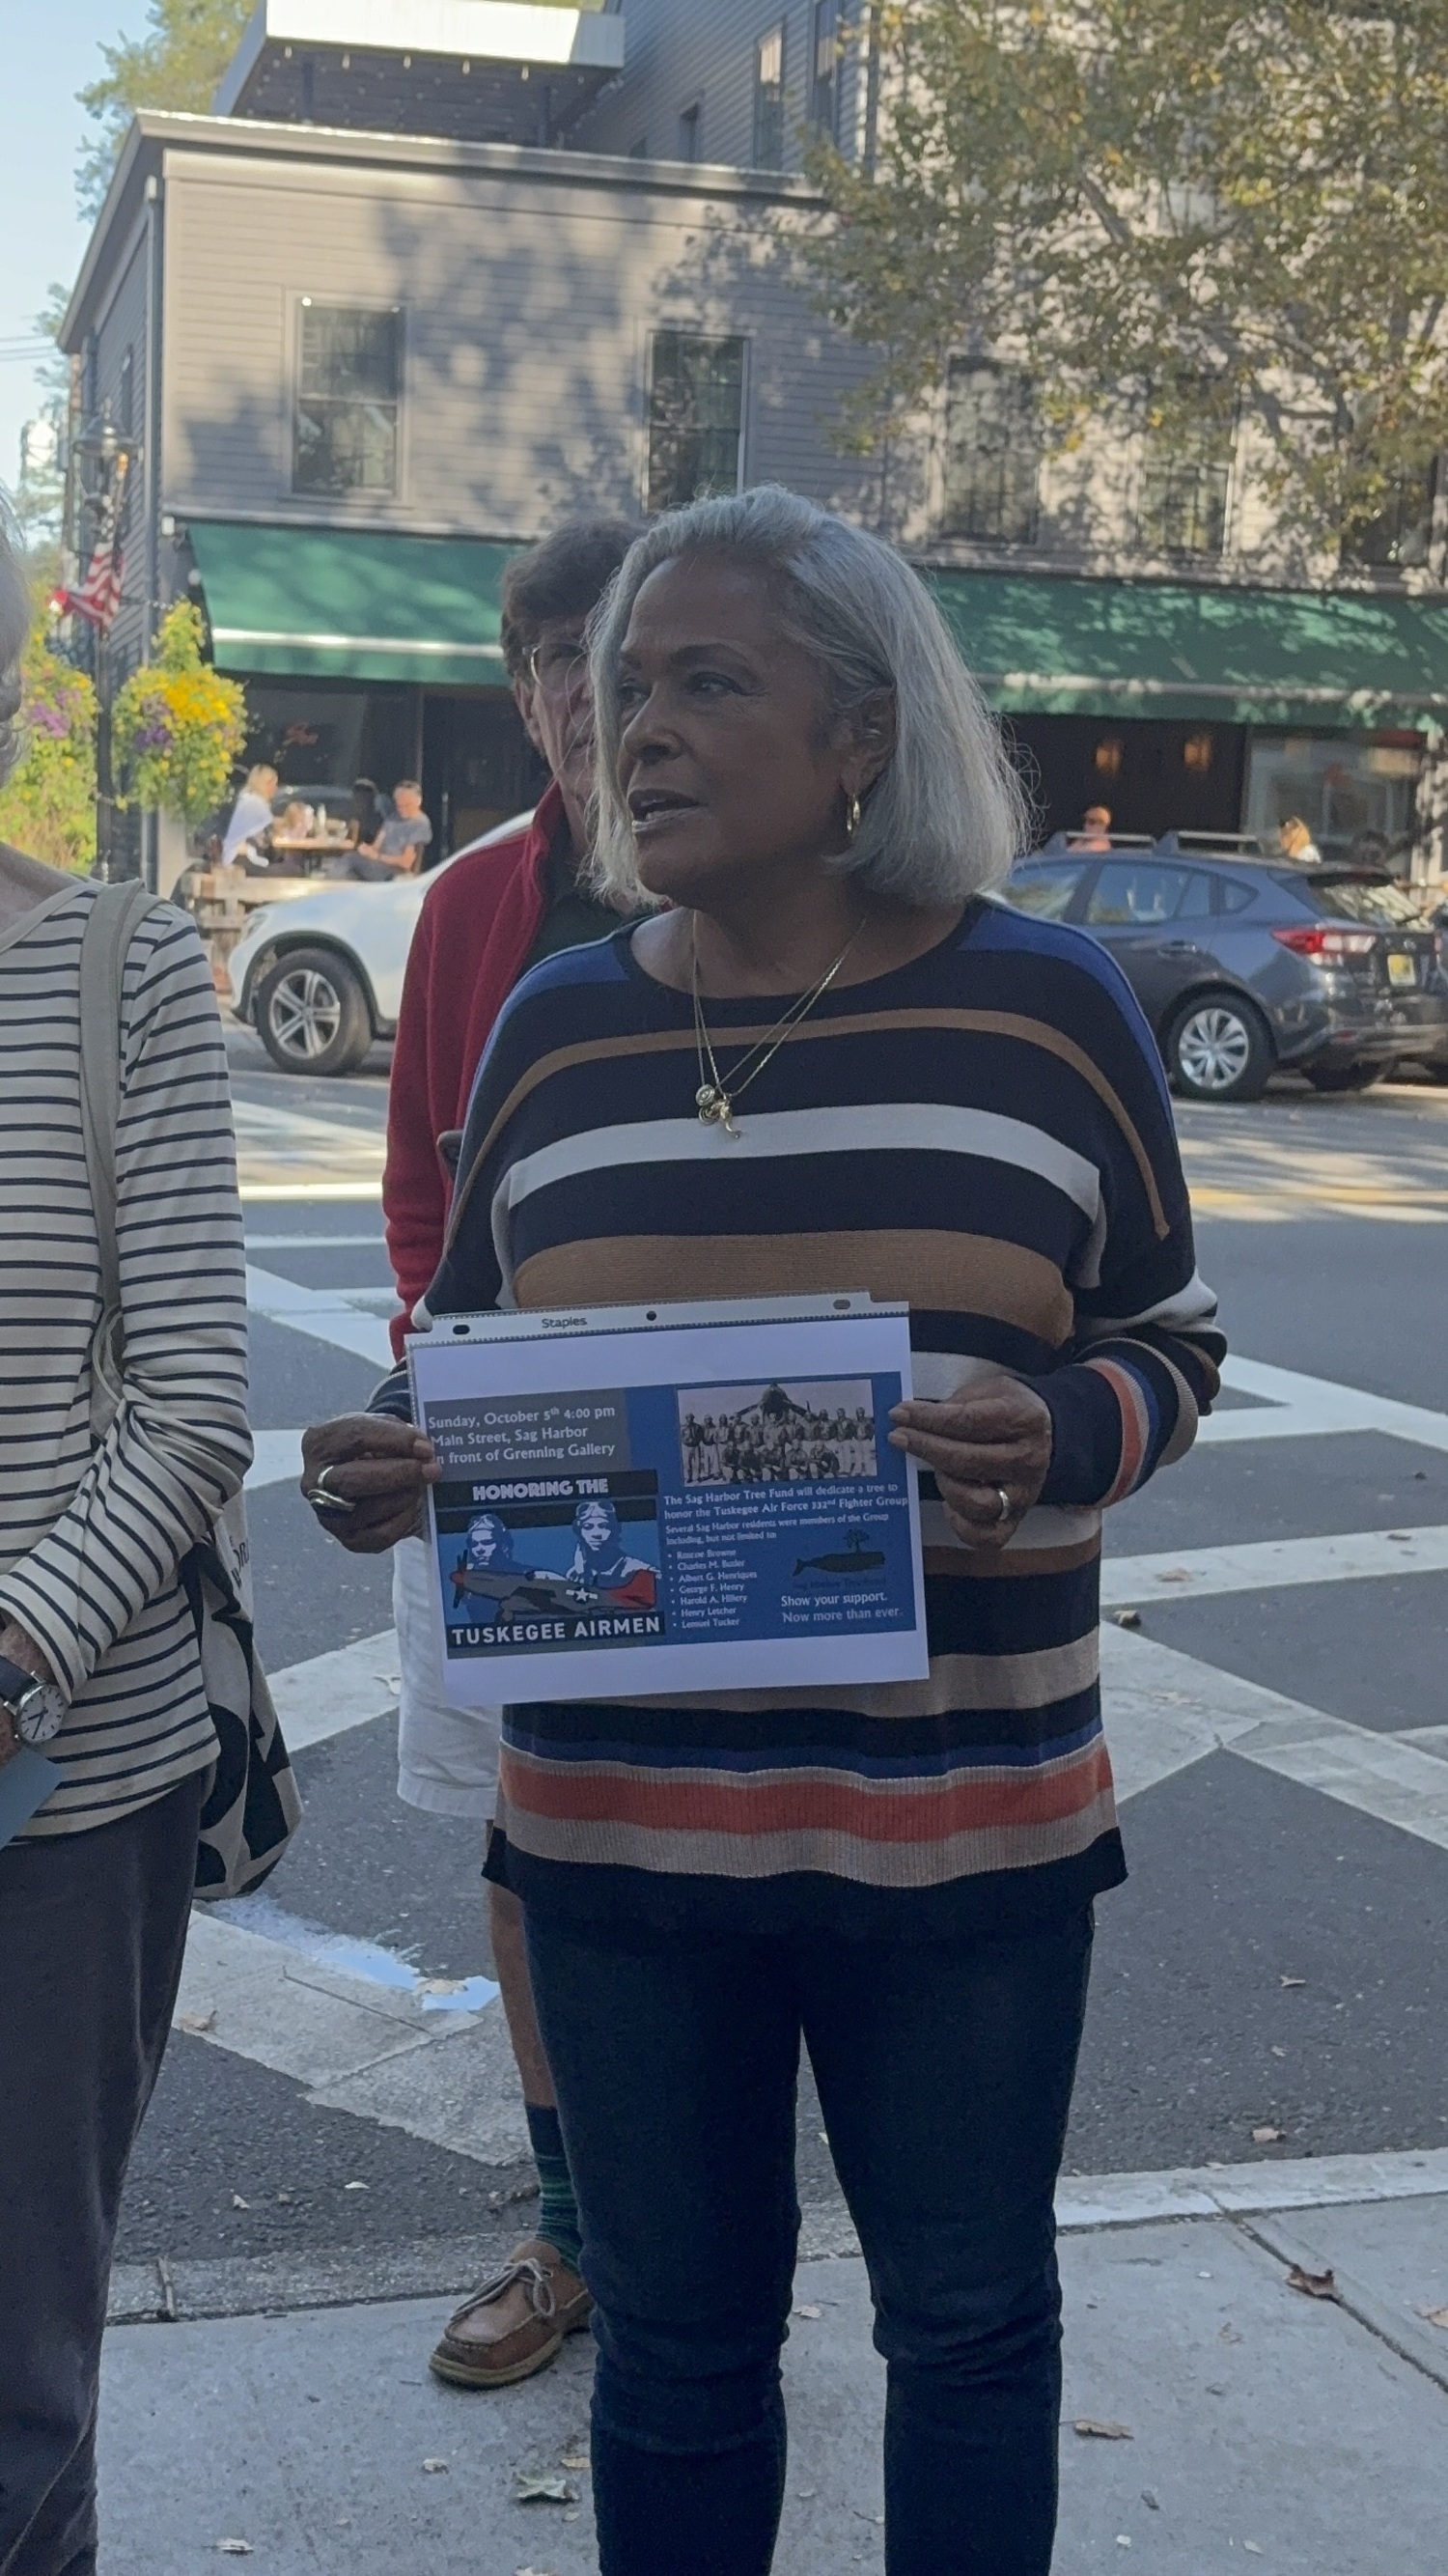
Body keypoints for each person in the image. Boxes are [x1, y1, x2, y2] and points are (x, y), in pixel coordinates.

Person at [300, 486, 1224, 2574]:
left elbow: (1169, 1330)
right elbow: (464, 1352)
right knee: (683, 2352)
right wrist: (390, 1451)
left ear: (867, 731)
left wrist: (1064, 1423)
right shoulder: (556, 1029)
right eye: (625, 684)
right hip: (620, 1846)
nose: (640, 727)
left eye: (711, 679)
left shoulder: (1051, 1007)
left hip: (963, 1830)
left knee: (973, 2323)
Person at [0, 515, 253, 2576]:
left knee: (13, 2375)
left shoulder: (113, 963)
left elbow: (188, 1407)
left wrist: (11, 1640)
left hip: (57, 1780)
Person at [376, 518, 644, 2393]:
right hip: (505, 1440)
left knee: (723, 1844)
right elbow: (420, 1188)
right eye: (543, 658)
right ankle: (571, 2225)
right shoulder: (475, 903)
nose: (573, 693)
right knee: (521, 1835)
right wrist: (442, 1374)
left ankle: (688, 2228)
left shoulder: (805, 889)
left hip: (721, 1458)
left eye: (608, 653)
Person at [327, 777, 433, 881]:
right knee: (348, 859)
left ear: (418, 801)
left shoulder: (420, 824)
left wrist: (377, 856)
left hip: (396, 872)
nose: (402, 809)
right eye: (399, 805)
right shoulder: (393, 818)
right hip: (378, 866)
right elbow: (376, 845)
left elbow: (406, 862)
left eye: (407, 805)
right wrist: (367, 850)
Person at [219, 762, 278, 867]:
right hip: (242, 858)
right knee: (296, 871)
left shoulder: (248, 799)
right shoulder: (255, 804)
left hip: (241, 856)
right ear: (267, 784)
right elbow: (273, 826)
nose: (276, 789)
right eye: (274, 784)